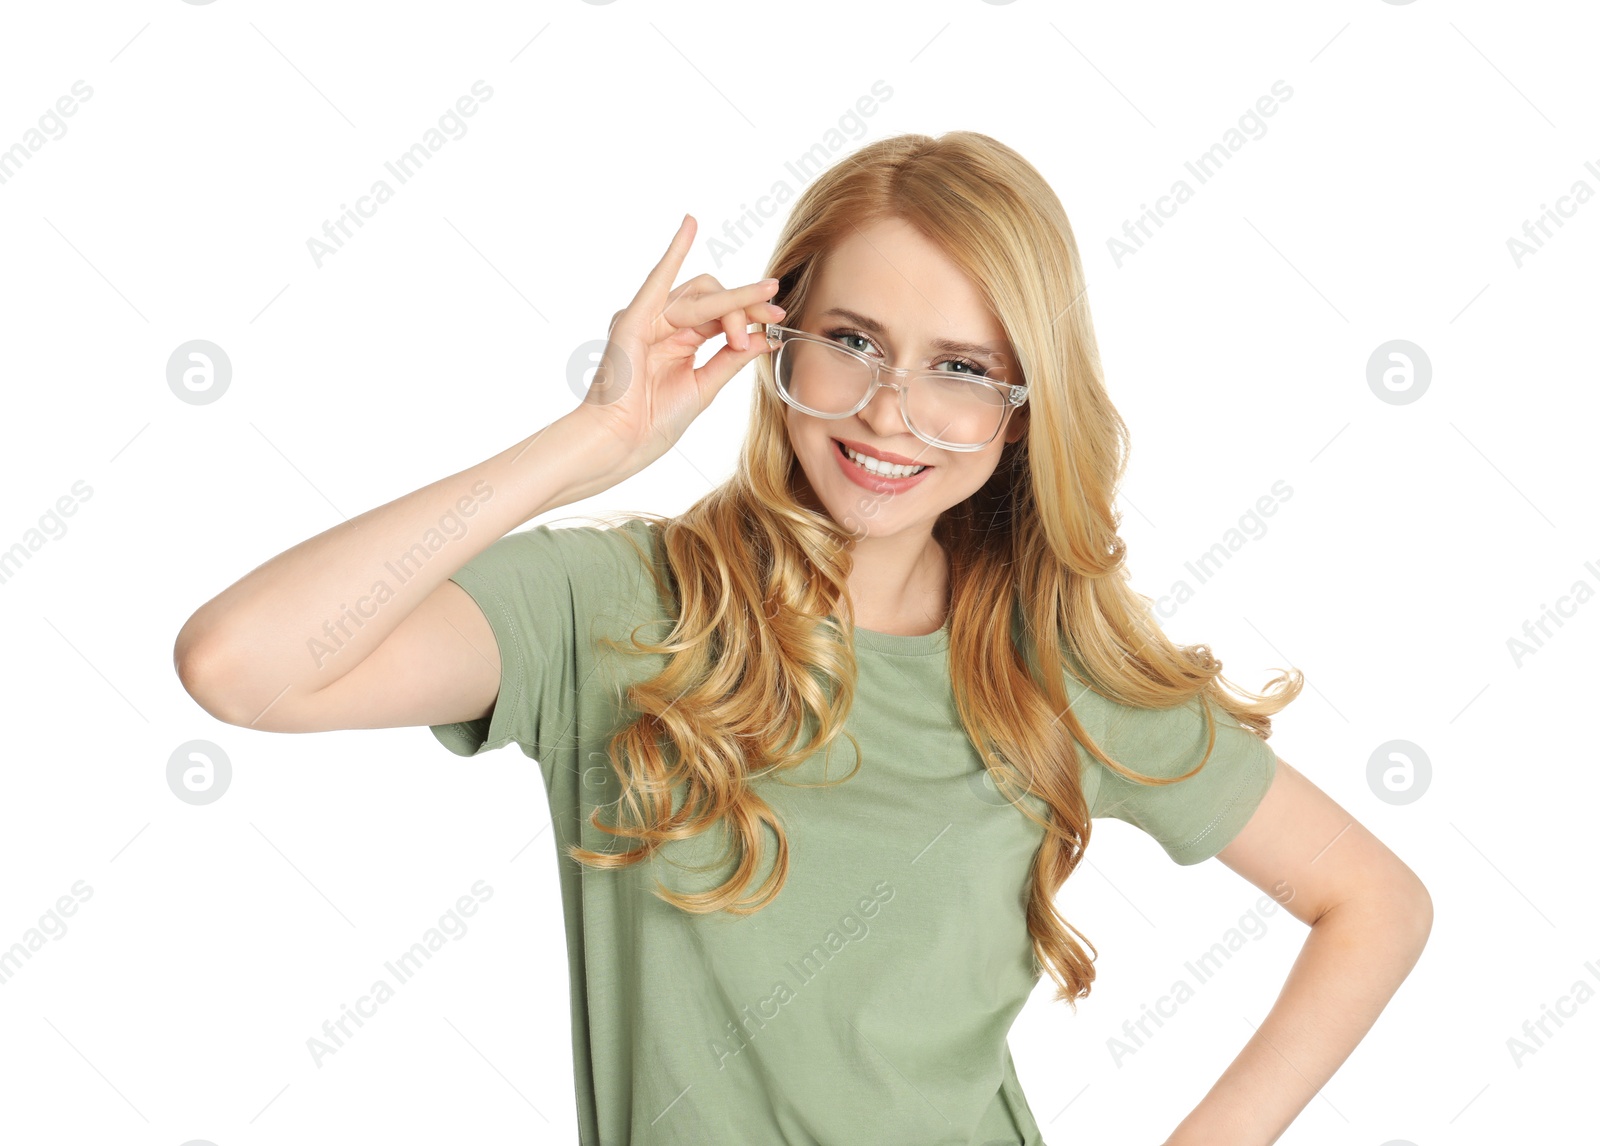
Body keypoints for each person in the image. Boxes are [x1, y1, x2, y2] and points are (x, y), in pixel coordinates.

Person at [174, 131, 1433, 1146]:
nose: (891, 410)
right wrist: (591, 444)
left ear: (1019, 411)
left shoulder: (1053, 674)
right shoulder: (617, 610)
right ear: (775, 340)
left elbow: (1371, 900)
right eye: (853, 343)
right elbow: (242, 665)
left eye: (960, 369)